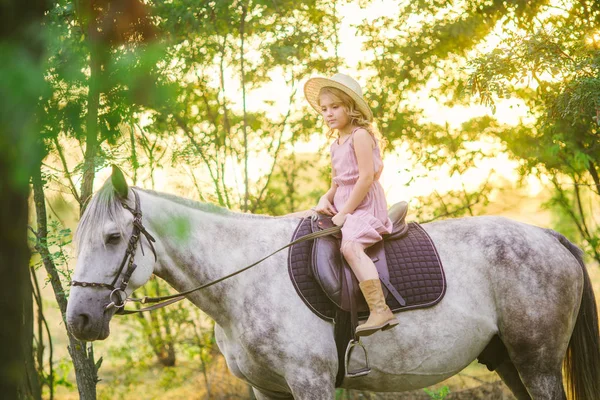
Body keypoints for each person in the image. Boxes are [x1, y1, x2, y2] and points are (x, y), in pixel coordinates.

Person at [304, 73, 398, 337]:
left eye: (335, 107)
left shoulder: (360, 136)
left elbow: (365, 178)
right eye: (324, 109)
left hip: (365, 206)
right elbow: (338, 183)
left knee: (350, 246)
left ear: (351, 107)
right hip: (345, 203)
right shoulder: (335, 144)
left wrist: (345, 213)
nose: (328, 114)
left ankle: (380, 310)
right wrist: (326, 198)